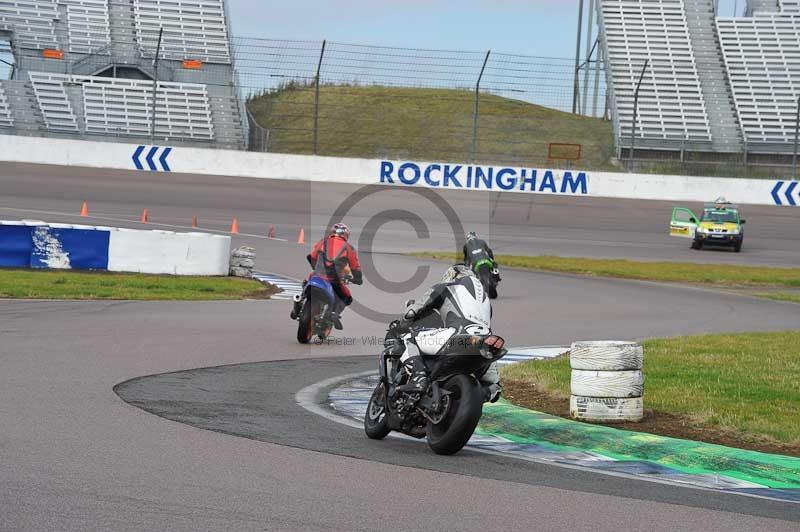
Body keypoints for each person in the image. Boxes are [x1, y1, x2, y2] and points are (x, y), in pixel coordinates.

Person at [392, 264, 501, 402]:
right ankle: (484, 394)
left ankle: (418, 377)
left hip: (457, 337)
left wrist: (401, 324)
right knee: (494, 386)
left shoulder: (444, 287)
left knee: (408, 339)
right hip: (483, 345)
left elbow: (412, 312)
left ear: (452, 276)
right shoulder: (486, 302)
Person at [305, 223, 363, 329]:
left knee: (307, 281)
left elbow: (311, 257)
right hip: (334, 281)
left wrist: (316, 268)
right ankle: (333, 315)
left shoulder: (323, 241)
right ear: (346, 235)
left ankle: (299, 301)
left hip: (316, 277)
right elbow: (355, 268)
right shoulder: (349, 248)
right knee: (347, 297)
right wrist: (358, 279)